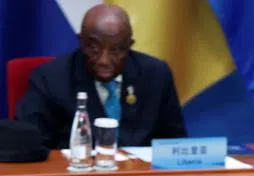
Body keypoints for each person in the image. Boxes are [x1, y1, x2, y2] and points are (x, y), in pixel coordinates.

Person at [15, 4, 186, 149]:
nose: (104, 60)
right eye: (94, 49)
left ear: (129, 45)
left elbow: (174, 143)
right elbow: (30, 146)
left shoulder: (155, 74)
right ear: (81, 42)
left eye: (116, 50)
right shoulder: (49, 79)